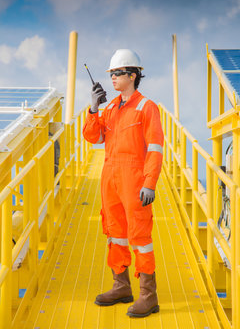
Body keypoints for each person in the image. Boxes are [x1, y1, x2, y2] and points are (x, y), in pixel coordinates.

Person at [83, 49, 164, 318]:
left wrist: (149, 183)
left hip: (134, 180)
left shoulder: (147, 107)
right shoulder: (110, 109)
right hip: (111, 179)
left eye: (117, 73)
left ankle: (148, 296)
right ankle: (121, 287)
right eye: (111, 74)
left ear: (132, 75)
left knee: (140, 237)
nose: (113, 78)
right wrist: (94, 108)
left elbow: (155, 148)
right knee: (115, 233)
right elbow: (92, 138)